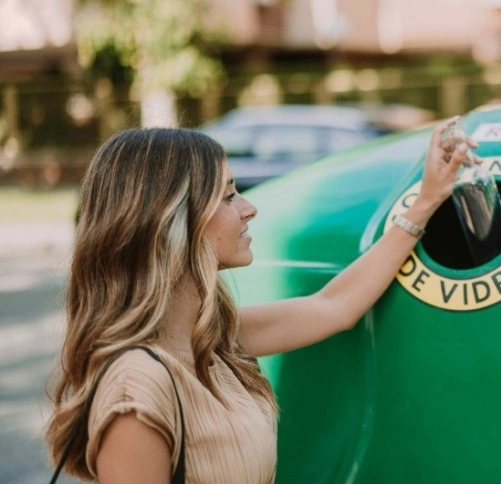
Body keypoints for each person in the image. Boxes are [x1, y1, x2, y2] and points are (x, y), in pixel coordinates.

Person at [45, 118, 477, 483]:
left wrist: (427, 200)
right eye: (228, 195)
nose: (249, 208)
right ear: (170, 221)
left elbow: (335, 306)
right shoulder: (135, 388)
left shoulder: (208, 340)